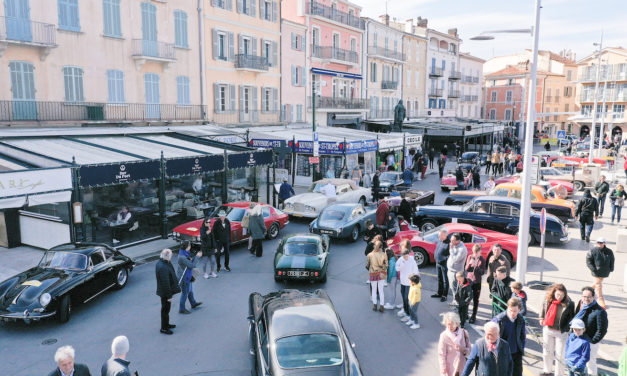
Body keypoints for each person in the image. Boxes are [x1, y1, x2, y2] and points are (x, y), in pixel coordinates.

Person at [539, 283, 576, 376]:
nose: (559, 297)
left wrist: (567, 327)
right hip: (548, 329)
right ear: (554, 293)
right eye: (557, 294)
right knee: (547, 352)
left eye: (562, 295)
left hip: (561, 332)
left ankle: (559, 374)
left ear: (565, 294)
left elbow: (572, 317)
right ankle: (547, 371)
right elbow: (542, 308)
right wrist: (541, 318)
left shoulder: (569, 303)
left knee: (560, 355)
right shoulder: (548, 299)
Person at [574, 286, 609, 376]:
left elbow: (602, 330)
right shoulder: (581, 304)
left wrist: (593, 342)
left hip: (590, 341)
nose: (586, 299)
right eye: (584, 296)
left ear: (593, 297)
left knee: (590, 363)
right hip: (579, 338)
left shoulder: (600, 311)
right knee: (579, 361)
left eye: (588, 297)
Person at [492, 298, 526, 376]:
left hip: (516, 352)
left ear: (519, 310)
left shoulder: (520, 319)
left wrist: (522, 347)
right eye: (510, 310)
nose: (512, 313)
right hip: (503, 353)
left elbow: (523, 336)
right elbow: (490, 334)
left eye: (515, 311)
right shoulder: (499, 319)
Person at [438, 312, 472, 376]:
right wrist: (443, 368)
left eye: (452, 324)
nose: (449, 327)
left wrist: (462, 349)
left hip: (462, 366)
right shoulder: (444, 336)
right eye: (448, 324)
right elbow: (441, 354)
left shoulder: (464, 333)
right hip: (451, 368)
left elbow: (469, 350)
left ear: (457, 323)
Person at [155, 248, 180, 335]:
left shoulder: (162, 262)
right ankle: (164, 328)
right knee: (165, 310)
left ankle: (166, 324)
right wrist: (169, 296)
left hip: (164, 292)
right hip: (165, 293)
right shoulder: (163, 267)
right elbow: (165, 283)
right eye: (171, 255)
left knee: (166, 310)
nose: (172, 256)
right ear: (167, 256)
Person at [586, 237, 615, 309]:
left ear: (604, 243)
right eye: (598, 242)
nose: (599, 244)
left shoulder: (609, 251)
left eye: (601, 242)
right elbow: (588, 260)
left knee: (597, 283)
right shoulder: (593, 250)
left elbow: (612, 260)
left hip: (604, 271)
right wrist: (593, 269)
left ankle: (587, 290)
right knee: (599, 285)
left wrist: (611, 268)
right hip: (596, 271)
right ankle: (601, 301)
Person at [176, 241, 202, 314]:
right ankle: (182, 309)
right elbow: (192, 265)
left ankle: (193, 303)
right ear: (187, 247)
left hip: (187, 275)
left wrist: (193, 257)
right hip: (184, 277)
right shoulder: (182, 257)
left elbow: (190, 261)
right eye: (190, 245)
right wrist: (197, 256)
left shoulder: (183, 253)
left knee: (190, 290)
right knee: (185, 293)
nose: (190, 247)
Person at [396, 247, 419, 322]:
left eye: (406, 256)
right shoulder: (400, 260)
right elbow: (397, 269)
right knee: (403, 298)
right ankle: (406, 313)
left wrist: (413, 279)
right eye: (404, 256)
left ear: (408, 254)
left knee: (407, 298)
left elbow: (415, 270)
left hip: (409, 283)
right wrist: (402, 265)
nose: (405, 258)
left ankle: (409, 315)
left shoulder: (412, 260)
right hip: (403, 282)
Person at [465, 244, 486, 324]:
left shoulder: (482, 259)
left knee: (475, 300)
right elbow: (467, 269)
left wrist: (476, 266)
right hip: (469, 281)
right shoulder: (470, 257)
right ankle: (466, 313)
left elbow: (482, 272)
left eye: (477, 252)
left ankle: (473, 315)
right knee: (467, 297)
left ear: (480, 252)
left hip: (477, 282)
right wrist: (470, 264)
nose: (475, 254)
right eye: (474, 252)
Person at [366, 240, 388, 312]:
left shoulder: (370, 255)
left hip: (373, 274)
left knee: (374, 291)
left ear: (375, 246)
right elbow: (386, 265)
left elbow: (367, 265)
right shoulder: (384, 254)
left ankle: (375, 305)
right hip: (382, 274)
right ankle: (382, 306)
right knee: (381, 291)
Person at [447, 233, 467, 300]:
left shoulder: (462, 249)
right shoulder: (454, 246)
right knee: (453, 289)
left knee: (456, 290)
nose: (451, 242)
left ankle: (457, 305)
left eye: (453, 240)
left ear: (458, 241)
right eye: (451, 240)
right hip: (451, 271)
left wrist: (451, 250)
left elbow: (456, 259)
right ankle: (455, 302)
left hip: (456, 273)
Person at [432, 229, 450, 302]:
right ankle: (439, 293)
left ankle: (444, 295)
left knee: (445, 281)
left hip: (444, 265)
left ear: (445, 235)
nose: (438, 236)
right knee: (439, 279)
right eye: (439, 235)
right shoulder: (440, 241)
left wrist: (444, 261)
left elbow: (450, 255)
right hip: (438, 263)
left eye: (440, 235)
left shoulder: (449, 243)